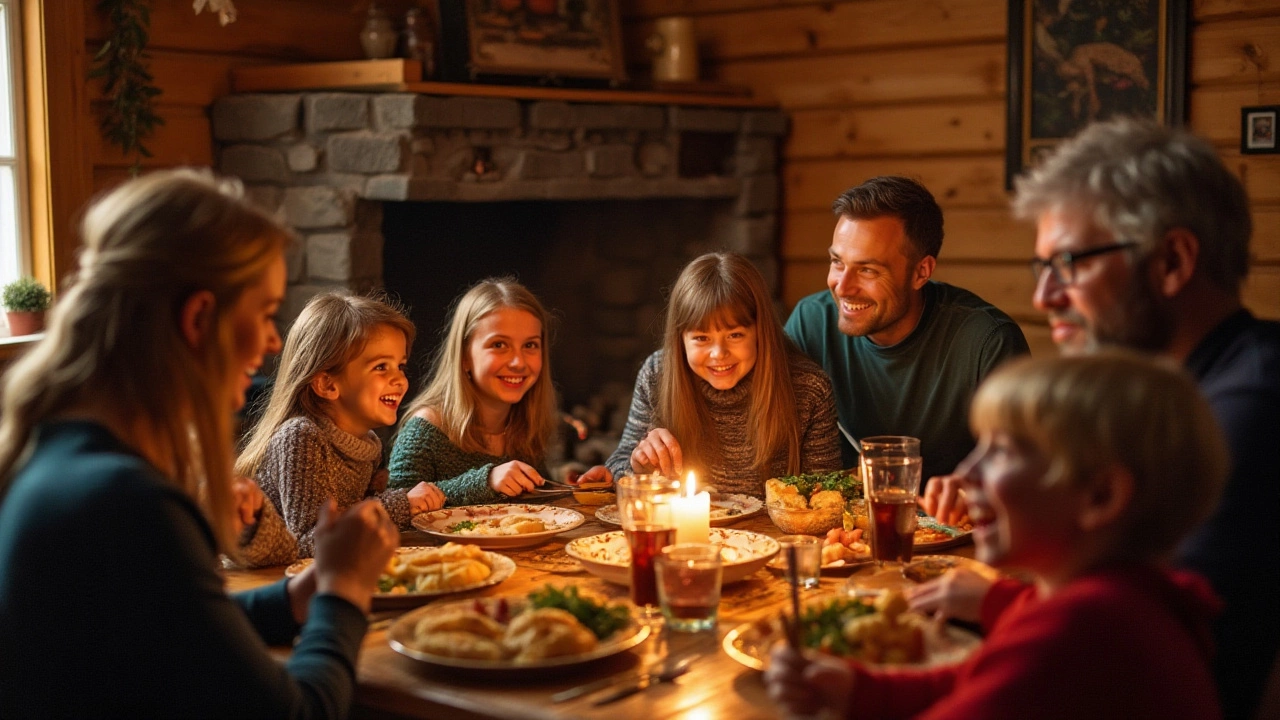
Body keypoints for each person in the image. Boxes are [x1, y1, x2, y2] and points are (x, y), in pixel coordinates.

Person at [0, 169, 399, 717]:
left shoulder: (59, 457)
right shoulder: (126, 501)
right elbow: (302, 712)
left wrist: (295, 599)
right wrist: (344, 593)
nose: (273, 342)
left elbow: (176, 625)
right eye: (262, 314)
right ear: (198, 319)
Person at [921, 118, 1280, 720]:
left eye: (1068, 264)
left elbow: (1157, 642)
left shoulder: (1247, 407)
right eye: (1042, 269)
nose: (1044, 298)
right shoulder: (1163, 402)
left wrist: (1004, 604)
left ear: (1171, 260)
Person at [767, 352, 1228, 720]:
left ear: (1100, 496)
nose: (966, 474)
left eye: (1002, 452)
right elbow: (970, 683)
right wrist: (854, 691)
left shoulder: (1080, 631)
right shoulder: (1110, 600)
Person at [784, 176, 1029, 481]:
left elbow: (1022, 469)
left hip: (951, 524)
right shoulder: (811, 321)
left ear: (921, 272)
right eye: (837, 262)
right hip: (836, 521)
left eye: (868, 270)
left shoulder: (988, 341)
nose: (843, 287)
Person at [605, 252, 841, 496]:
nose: (718, 353)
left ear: (761, 331)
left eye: (735, 335)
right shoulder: (657, 374)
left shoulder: (809, 389)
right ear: (680, 339)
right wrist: (638, 468)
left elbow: (826, 495)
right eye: (701, 338)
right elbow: (615, 467)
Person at [236, 292, 446, 560]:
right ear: (327, 384)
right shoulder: (301, 436)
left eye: (400, 365)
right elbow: (308, 542)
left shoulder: (367, 443)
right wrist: (399, 504)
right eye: (382, 367)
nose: (400, 380)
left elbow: (352, 514)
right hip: (272, 583)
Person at [389, 278, 611, 503]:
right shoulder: (425, 429)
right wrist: (485, 482)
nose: (518, 362)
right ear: (464, 356)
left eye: (530, 345)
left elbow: (528, 504)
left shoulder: (527, 420)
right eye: (499, 345)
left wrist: (569, 482)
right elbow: (399, 507)